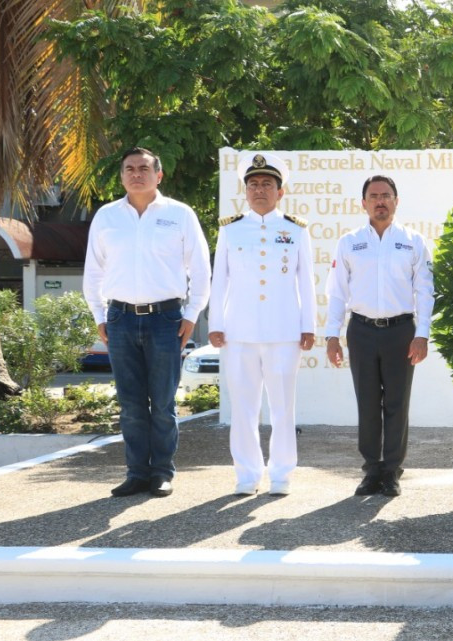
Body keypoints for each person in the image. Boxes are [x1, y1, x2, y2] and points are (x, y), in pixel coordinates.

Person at [83, 147, 211, 498]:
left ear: (159, 175)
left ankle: (161, 473)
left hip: (166, 319)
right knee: (131, 403)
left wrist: (191, 314)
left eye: (143, 168)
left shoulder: (179, 214)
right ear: (122, 175)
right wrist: (99, 315)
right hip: (120, 318)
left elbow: (200, 268)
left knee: (163, 402)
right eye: (129, 169)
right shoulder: (107, 217)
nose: (136, 174)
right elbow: (93, 270)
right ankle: (136, 472)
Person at [209, 153, 316, 496]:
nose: (259, 190)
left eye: (267, 184)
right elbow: (219, 280)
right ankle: (247, 475)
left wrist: (308, 325)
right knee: (243, 408)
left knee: (283, 408)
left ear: (280, 192)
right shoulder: (231, 229)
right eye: (253, 184)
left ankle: (281, 475)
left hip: (284, 332)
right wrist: (216, 322)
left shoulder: (295, 229)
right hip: (239, 332)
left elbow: (307, 281)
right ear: (245, 190)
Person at [324, 175, 433, 497]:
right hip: (361, 331)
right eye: (374, 196)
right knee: (368, 403)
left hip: (401, 331)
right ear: (364, 203)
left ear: (396, 201)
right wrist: (332, 335)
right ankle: (371, 470)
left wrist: (422, 334)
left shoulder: (413, 241)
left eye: (386, 195)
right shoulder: (349, 242)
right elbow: (336, 293)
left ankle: (392, 471)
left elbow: (425, 291)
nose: (380, 201)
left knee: (397, 403)